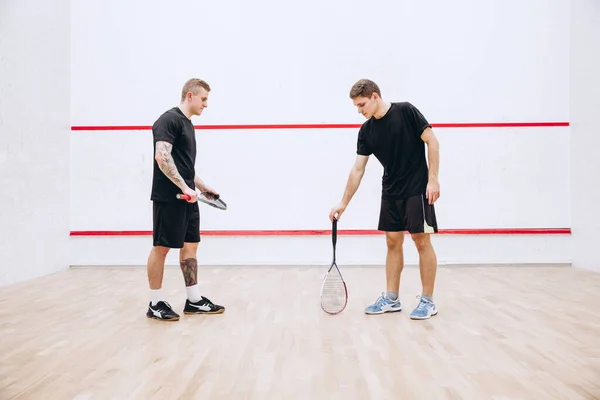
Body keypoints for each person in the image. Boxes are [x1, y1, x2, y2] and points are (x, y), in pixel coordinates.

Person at [329, 79, 441, 320]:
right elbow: (358, 169)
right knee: (392, 242)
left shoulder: (406, 111)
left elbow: (432, 141)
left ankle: (428, 301)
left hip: (416, 189)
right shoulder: (367, 131)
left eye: (362, 105)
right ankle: (391, 298)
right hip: (390, 191)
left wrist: (433, 180)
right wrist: (343, 203)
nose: (359, 111)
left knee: (422, 242)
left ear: (375, 96)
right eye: (356, 107)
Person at [146, 78, 225, 321]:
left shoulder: (188, 125)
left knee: (191, 246)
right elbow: (163, 158)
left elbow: (183, 166)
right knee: (162, 247)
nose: (206, 104)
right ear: (189, 96)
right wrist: (184, 187)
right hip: (170, 198)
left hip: (188, 198)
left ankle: (193, 300)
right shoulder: (168, 120)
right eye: (203, 99)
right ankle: (155, 303)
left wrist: (201, 187)